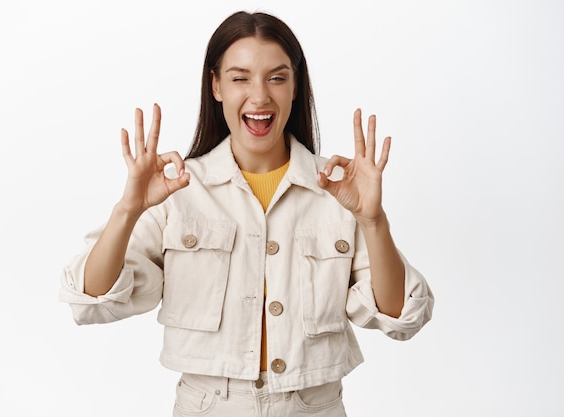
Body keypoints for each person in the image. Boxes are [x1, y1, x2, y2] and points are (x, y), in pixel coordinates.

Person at [60, 10, 434, 417]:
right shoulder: (178, 190)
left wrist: (373, 220)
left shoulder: (338, 191)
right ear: (216, 85)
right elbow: (90, 299)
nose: (260, 96)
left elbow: (402, 316)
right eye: (240, 78)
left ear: (295, 87)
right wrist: (128, 209)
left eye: (277, 77)